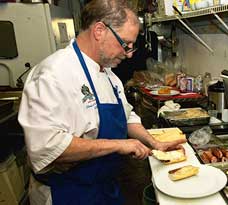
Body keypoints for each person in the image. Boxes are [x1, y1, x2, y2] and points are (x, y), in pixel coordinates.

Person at [18, 0, 185, 204]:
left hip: (105, 188)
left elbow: (127, 116)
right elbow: (48, 147)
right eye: (125, 44)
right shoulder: (52, 74)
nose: (129, 53)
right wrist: (118, 145)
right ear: (99, 31)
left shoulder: (108, 74)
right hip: (67, 192)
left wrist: (154, 142)